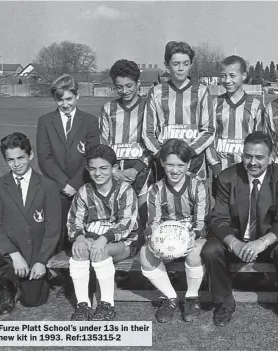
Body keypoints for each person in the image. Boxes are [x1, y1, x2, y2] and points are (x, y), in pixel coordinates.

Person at [201, 131, 278, 327]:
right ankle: (224, 302)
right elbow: (218, 219)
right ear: (242, 154)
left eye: (259, 157)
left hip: (268, 242)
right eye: (248, 156)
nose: (252, 162)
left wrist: (262, 242)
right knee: (211, 249)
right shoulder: (227, 177)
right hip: (237, 240)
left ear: (270, 158)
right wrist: (234, 243)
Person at [67, 144, 139, 321]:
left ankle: (107, 304)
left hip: (123, 242)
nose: (97, 173)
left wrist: (103, 239)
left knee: (102, 250)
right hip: (92, 240)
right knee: (80, 250)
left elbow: (126, 224)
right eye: (92, 169)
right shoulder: (83, 192)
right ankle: (82, 305)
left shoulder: (125, 191)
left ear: (114, 168)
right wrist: (79, 237)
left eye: (103, 168)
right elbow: (73, 221)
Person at [0, 132, 61, 315]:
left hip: (33, 251)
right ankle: (5, 284)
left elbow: (53, 229)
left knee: (32, 301)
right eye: (10, 160)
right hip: (8, 250)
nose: (16, 164)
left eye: (21, 157)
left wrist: (41, 261)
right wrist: (14, 255)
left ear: (30, 156)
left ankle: (41, 276)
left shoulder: (48, 185)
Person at [140, 139, 208, 323]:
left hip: (192, 236)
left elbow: (201, 220)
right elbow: (152, 222)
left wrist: (194, 235)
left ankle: (192, 298)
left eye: (180, 165)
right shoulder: (156, 189)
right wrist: (153, 242)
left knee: (195, 253)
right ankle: (170, 297)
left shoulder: (198, 185)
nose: (175, 170)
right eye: (170, 164)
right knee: (145, 254)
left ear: (188, 164)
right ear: (162, 163)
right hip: (166, 239)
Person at [36, 74, 100, 254]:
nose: (65, 104)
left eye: (69, 99)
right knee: (58, 237)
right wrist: (64, 184)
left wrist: (74, 184)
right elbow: (44, 158)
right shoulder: (45, 121)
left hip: (83, 186)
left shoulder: (89, 121)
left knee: (83, 236)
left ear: (77, 95)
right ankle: (58, 279)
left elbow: (92, 157)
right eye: (60, 100)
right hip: (57, 188)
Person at [142, 41, 215, 180]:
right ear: (167, 65)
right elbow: (147, 131)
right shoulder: (156, 92)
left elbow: (209, 129)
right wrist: (161, 154)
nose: (181, 68)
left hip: (194, 161)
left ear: (191, 64)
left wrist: (190, 151)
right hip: (165, 162)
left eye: (185, 63)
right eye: (176, 64)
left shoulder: (201, 91)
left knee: (194, 200)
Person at [99, 59, 152, 228]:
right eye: (119, 87)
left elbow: (153, 142)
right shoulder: (109, 108)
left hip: (141, 170)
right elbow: (103, 143)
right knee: (118, 219)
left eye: (129, 86)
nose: (124, 91)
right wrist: (113, 170)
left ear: (138, 83)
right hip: (116, 171)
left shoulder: (148, 107)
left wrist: (136, 169)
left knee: (145, 217)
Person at [206, 55, 264, 176]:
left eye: (232, 76)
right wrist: (215, 165)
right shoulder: (215, 104)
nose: (227, 80)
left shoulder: (255, 105)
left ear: (243, 76)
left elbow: (260, 140)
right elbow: (209, 137)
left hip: (248, 169)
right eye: (223, 76)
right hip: (221, 169)